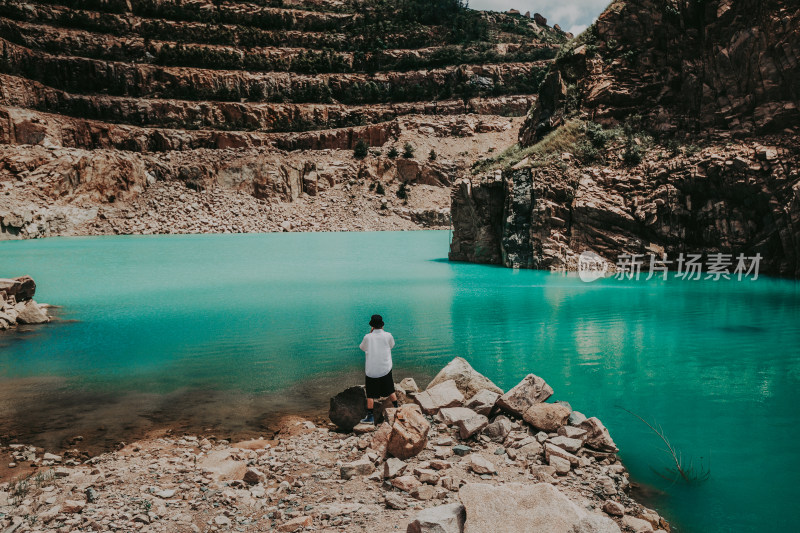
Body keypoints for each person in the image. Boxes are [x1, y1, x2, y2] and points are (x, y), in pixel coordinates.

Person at [358, 314, 398, 425]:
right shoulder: (388, 335)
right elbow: (392, 345)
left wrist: (370, 334)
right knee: (390, 389)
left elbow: (362, 347)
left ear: (372, 326)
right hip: (385, 368)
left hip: (372, 371)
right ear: (382, 325)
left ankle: (370, 417)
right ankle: (397, 409)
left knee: (370, 394)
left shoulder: (367, 337)